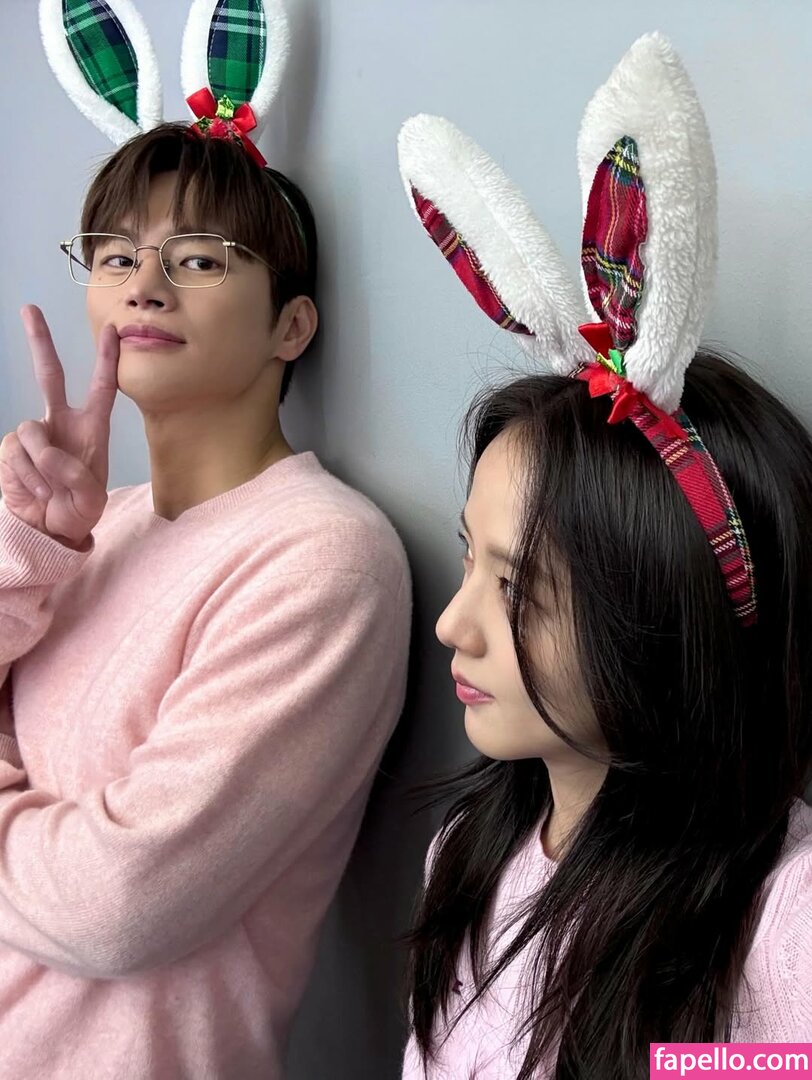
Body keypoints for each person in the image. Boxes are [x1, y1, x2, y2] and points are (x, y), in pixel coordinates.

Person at [0, 4, 410, 1075]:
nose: (144, 283)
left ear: (291, 326)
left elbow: (115, 906)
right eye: (116, 254)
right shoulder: (92, 525)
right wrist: (31, 546)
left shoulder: (322, 558)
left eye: (199, 258)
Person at [396, 33, 811, 1079]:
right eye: (468, 561)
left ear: (665, 613)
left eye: (516, 587)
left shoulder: (780, 918)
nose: (451, 623)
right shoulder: (468, 855)